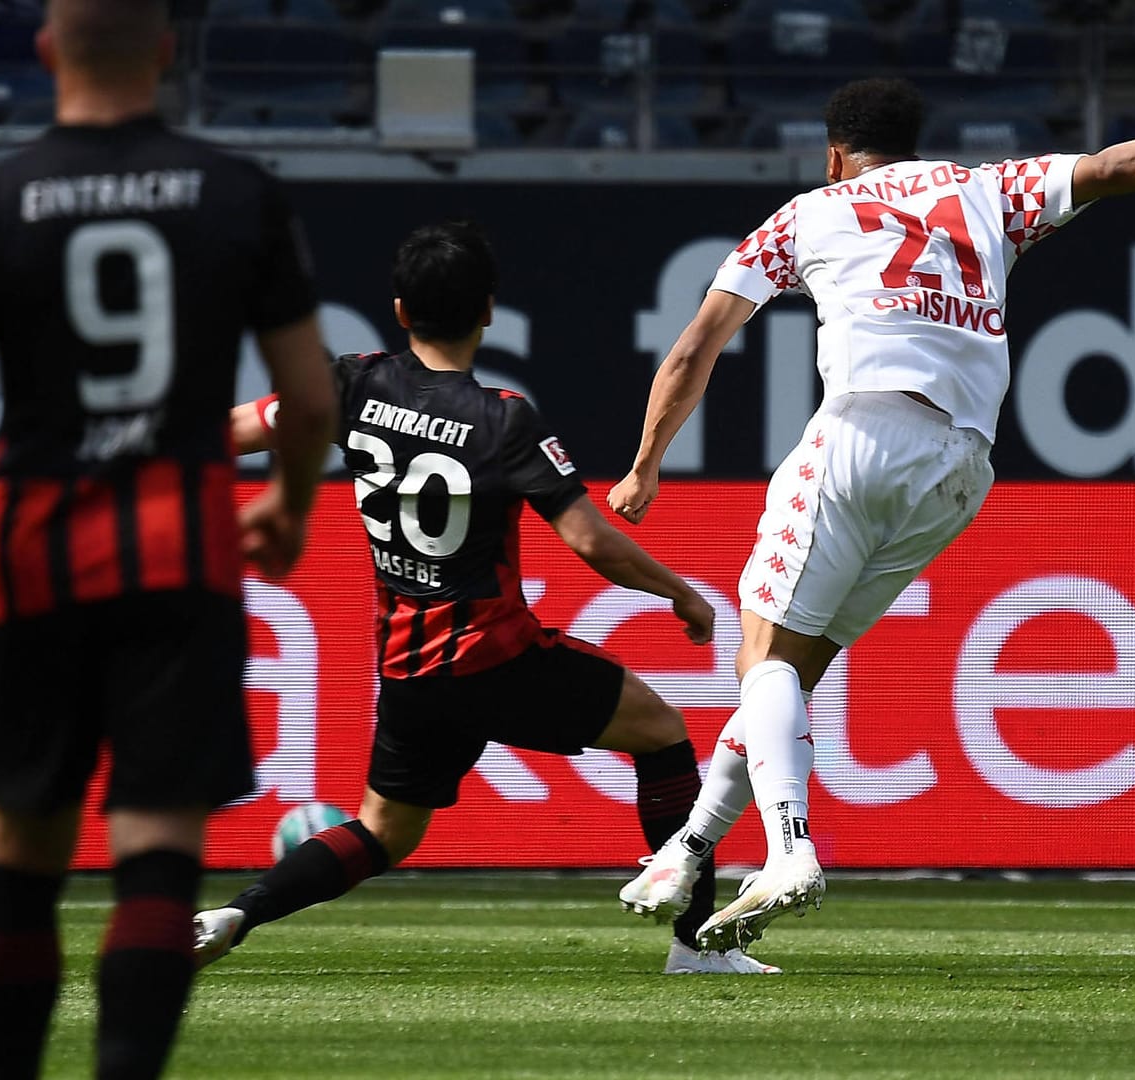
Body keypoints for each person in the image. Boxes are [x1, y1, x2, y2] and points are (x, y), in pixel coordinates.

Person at [609, 75, 1135, 954]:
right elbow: (1115, 167)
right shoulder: (984, 189)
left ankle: (788, 848)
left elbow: (697, 344)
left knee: (759, 658)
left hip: (864, 430)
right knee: (789, 678)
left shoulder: (809, 211)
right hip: (962, 470)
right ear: (916, 142)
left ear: (835, 152)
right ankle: (692, 850)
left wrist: (645, 465)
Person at [192, 220, 780, 976]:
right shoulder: (503, 418)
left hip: (409, 672)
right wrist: (680, 594)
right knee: (663, 736)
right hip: (496, 656)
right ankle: (694, 948)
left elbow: (235, 430)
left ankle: (236, 912)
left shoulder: (352, 383)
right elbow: (591, 540)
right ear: (490, 311)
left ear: (401, 311)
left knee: (381, 834)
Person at [0, 1, 337, 1077]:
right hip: (182, 559)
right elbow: (308, 400)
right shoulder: (237, 192)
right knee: (158, 856)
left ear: (44, 50)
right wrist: (293, 506)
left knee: (22, 853)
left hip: (38, 561)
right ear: (167, 49)